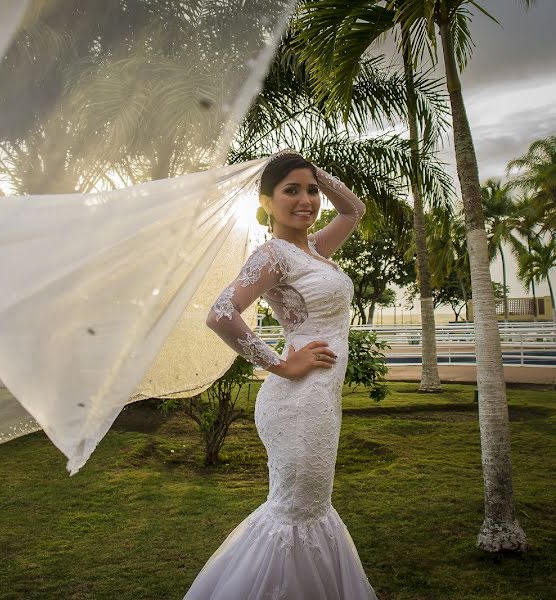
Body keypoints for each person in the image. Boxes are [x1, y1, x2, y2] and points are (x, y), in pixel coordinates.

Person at [184, 150, 379, 599]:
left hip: (319, 402)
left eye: (311, 191)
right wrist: (280, 363)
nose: (307, 199)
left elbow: (354, 209)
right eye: (291, 191)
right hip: (298, 402)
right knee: (296, 516)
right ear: (266, 201)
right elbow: (220, 313)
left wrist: (311, 169)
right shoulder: (273, 255)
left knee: (309, 511)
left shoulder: (313, 250)